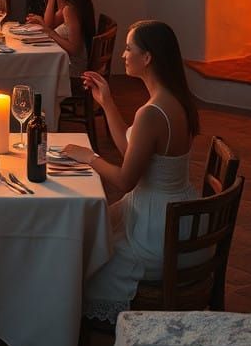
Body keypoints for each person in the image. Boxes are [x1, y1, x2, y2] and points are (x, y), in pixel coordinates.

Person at [64, 20, 201, 323]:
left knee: (86, 259)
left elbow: (126, 179)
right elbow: (132, 152)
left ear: (148, 57)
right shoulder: (176, 100)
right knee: (88, 234)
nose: (123, 55)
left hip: (157, 232)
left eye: (129, 49)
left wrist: (89, 157)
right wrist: (107, 102)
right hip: (180, 217)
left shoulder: (152, 112)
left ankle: (65, 329)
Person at [27, 0, 93, 76]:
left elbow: (75, 49)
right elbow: (50, 24)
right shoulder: (69, 5)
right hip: (67, 61)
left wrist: (50, 33)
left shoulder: (70, 9)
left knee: (31, 67)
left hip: (74, 68)